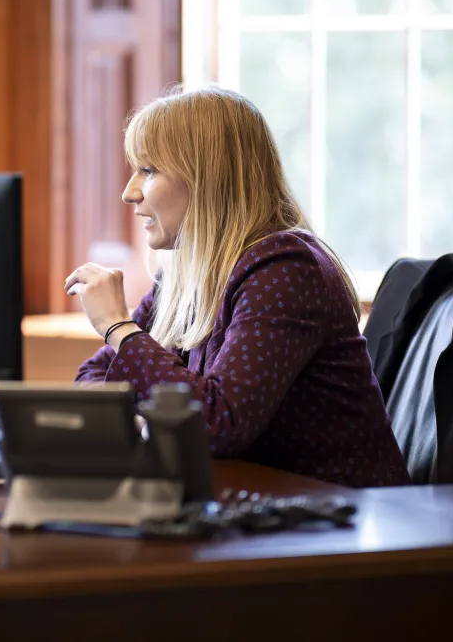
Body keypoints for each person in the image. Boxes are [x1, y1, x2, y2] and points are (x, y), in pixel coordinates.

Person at [69, 86, 410, 488]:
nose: (130, 192)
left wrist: (118, 327)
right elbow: (95, 376)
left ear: (206, 178)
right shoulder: (185, 274)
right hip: (264, 510)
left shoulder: (285, 268)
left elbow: (220, 423)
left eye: (148, 170)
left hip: (344, 521)